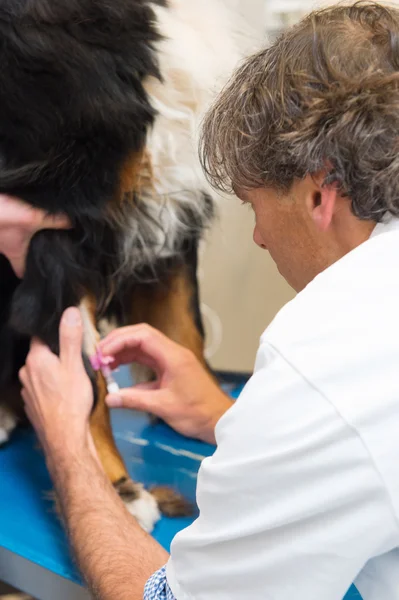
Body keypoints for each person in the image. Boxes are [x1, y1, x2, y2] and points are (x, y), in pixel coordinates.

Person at [15, 2, 399, 599]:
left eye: (254, 205)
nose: (258, 237)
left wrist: (70, 450)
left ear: (321, 194)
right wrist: (227, 416)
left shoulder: (331, 358)